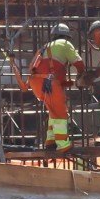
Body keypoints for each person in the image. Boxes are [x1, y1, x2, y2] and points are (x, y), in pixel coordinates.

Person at [26, 23, 82, 152]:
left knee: (53, 111)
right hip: (49, 82)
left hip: (37, 83)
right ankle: (63, 145)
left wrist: (67, 82)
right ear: (67, 36)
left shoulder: (45, 47)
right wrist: (82, 76)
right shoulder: (65, 44)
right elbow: (79, 64)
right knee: (61, 112)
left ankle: (50, 141)